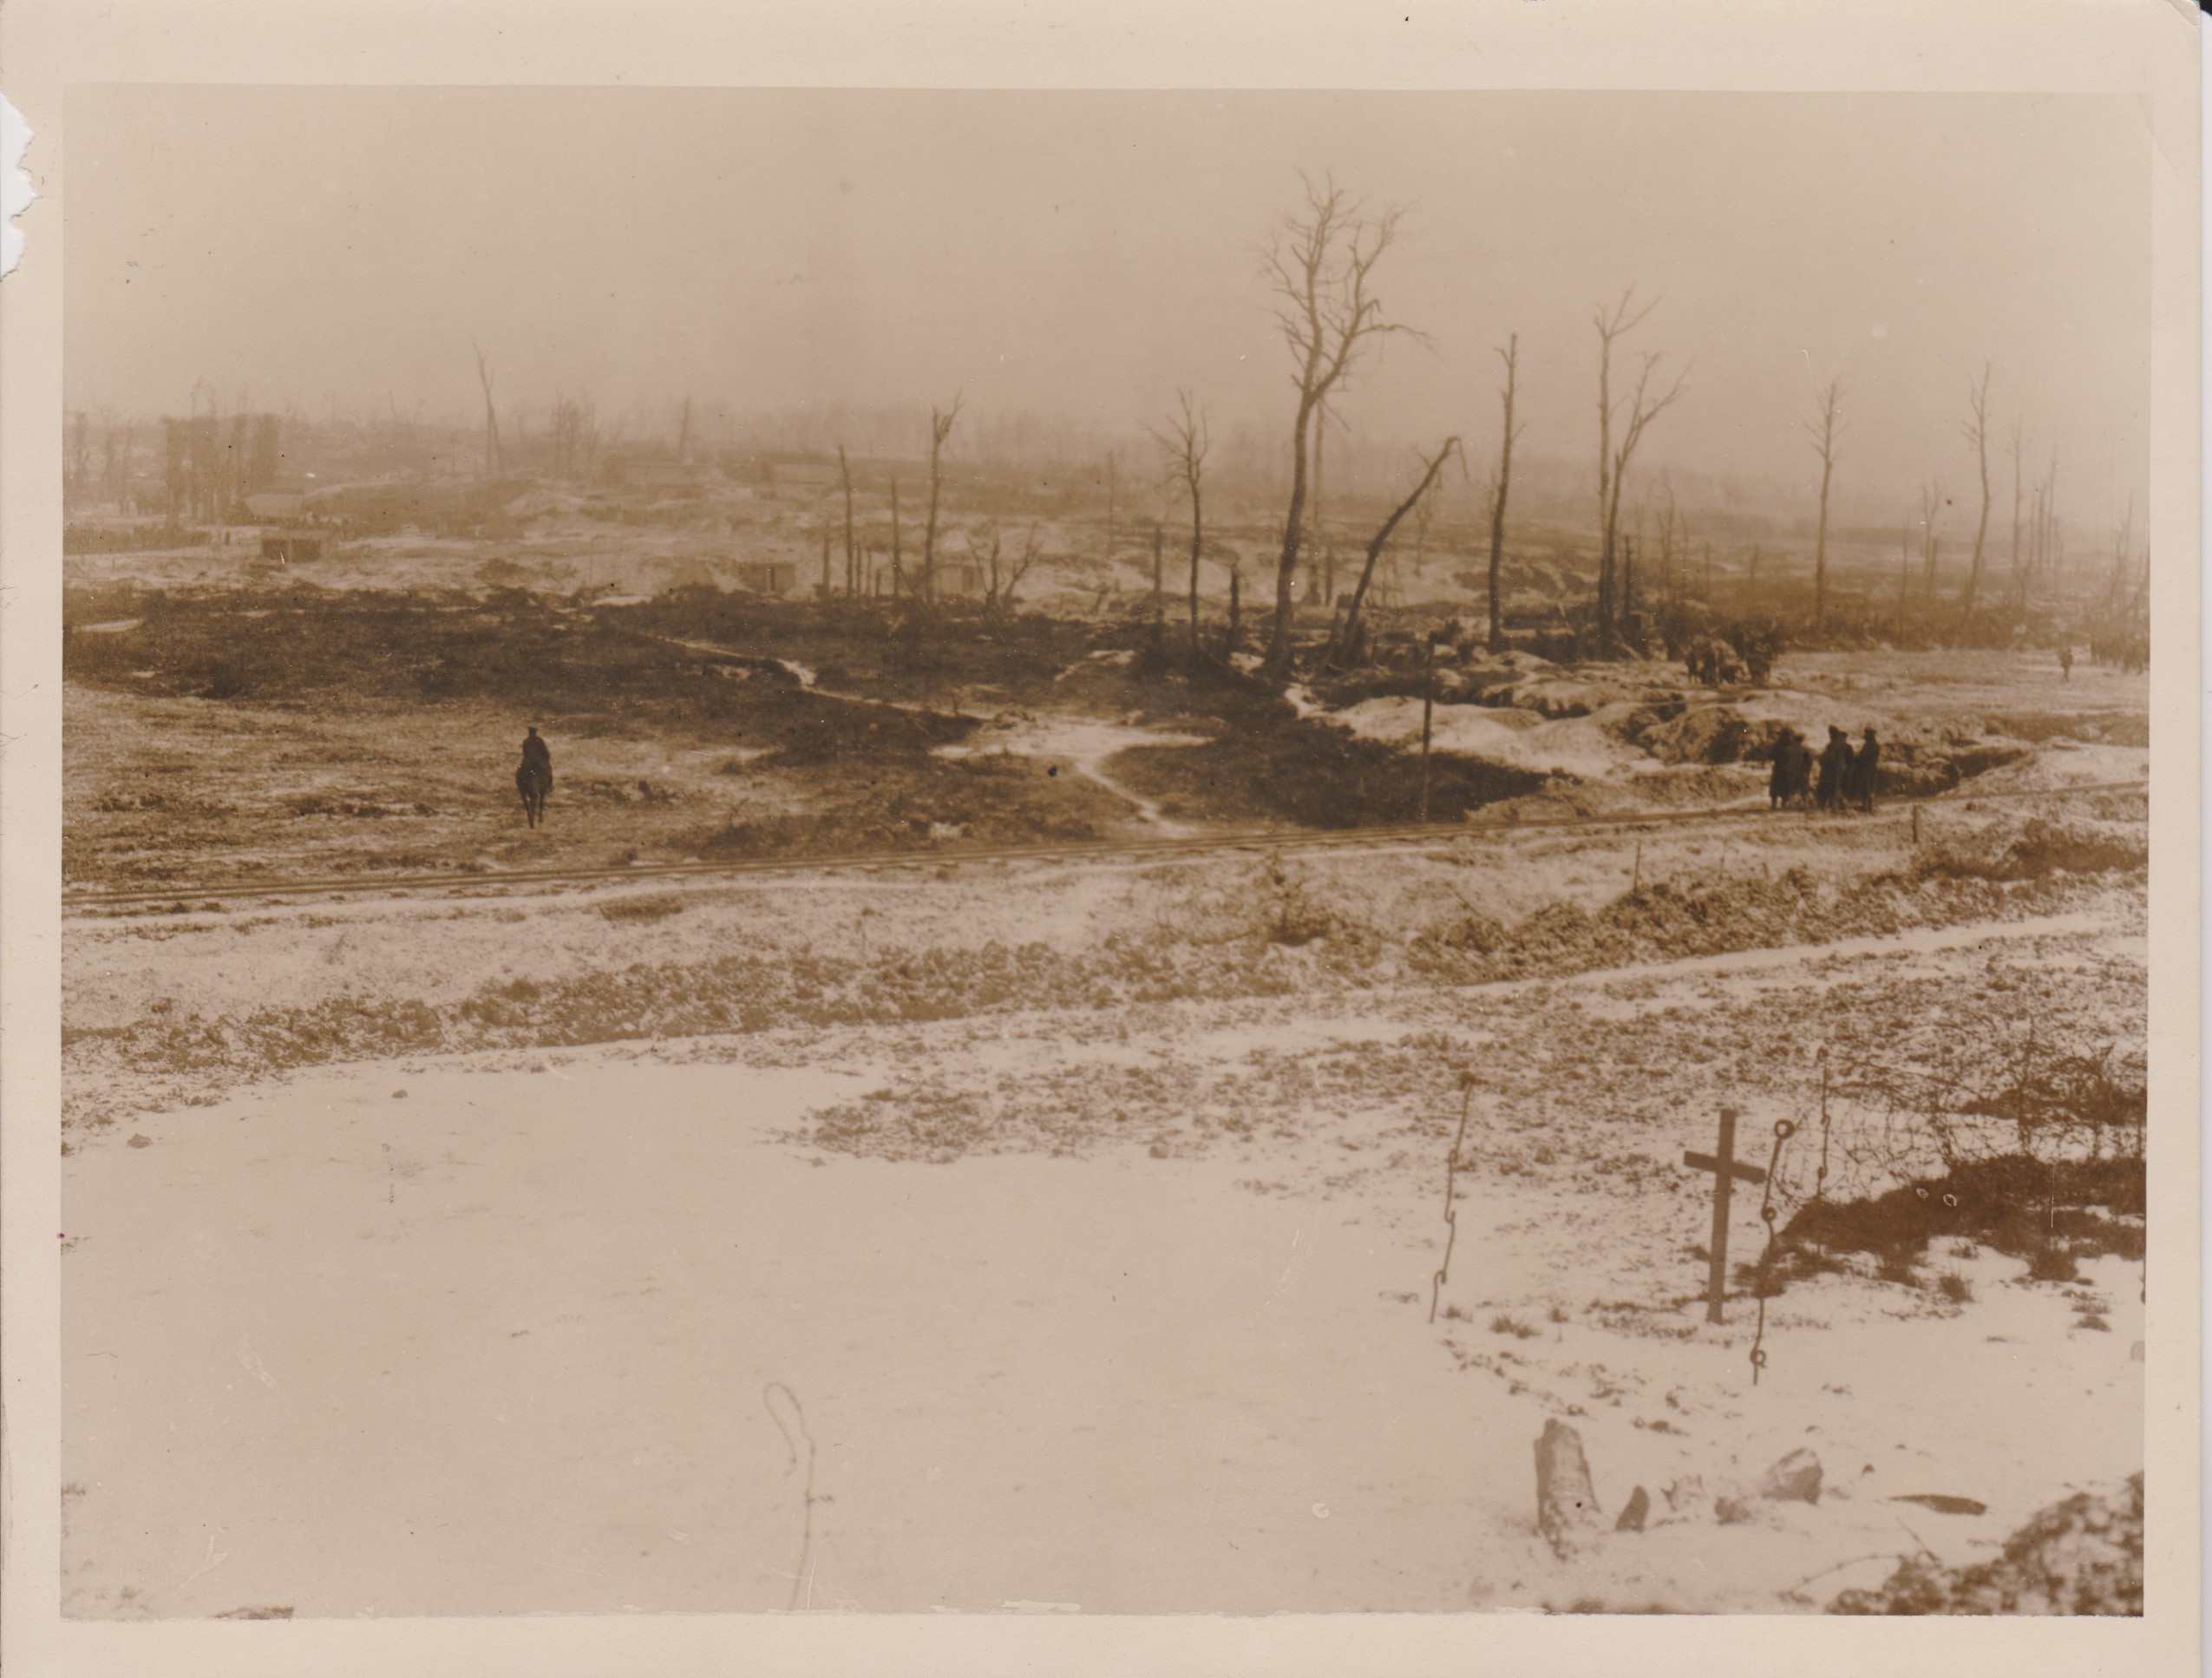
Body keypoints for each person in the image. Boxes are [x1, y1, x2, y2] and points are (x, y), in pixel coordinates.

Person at [1816, 725, 1852, 812]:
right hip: (1840, 767)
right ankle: (1841, 804)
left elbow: (1830, 757)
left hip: (1832, 768)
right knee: (1836, 785)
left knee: (1831, 786)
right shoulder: (1842, 744)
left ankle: (1834, 806)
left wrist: (1822, 759)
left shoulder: (1832, 744)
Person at [1850, 725, 1881, 813]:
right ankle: (1870, 807)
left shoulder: (1868, 746)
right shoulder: (1877, 746)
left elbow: (1862, 757)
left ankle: (1866, 807)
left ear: (1869, 736)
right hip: (1873, 768)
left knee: (1866, 788)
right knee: (1871, 787)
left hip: (1866, 769)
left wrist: (1855, 758)